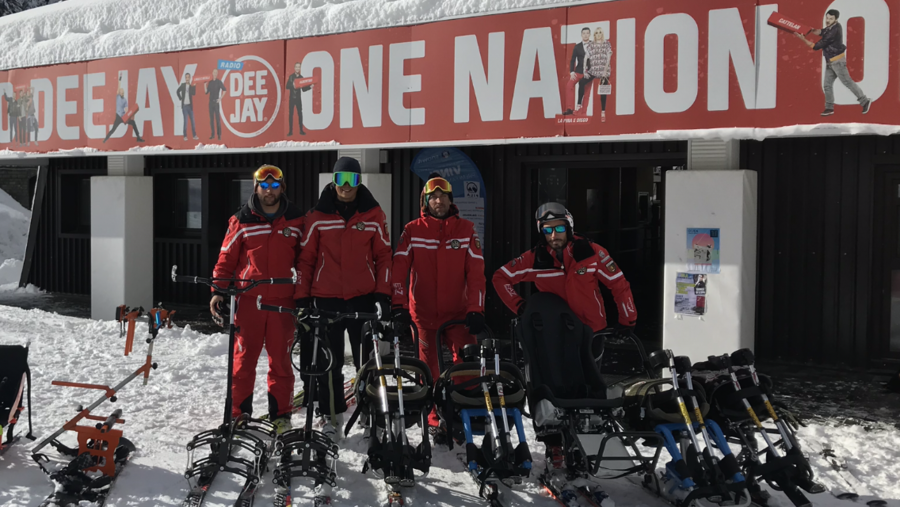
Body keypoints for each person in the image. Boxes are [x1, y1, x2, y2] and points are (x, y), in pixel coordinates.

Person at [492, 202, 637, 468]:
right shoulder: (535, 258)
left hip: (590, 333)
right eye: (547, 230)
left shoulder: (592, 253)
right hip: (553, 337)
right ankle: (555, 445)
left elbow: (619, 284)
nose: (554, 235)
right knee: (553, 389)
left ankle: (586, 445)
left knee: (588, 391)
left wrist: (628, 318)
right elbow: (500, 277)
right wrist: (520, 306)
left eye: (559, 228)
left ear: (569, 227)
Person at [296, 157, 392, 433]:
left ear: (359, 181)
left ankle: (369, 413)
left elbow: (384, 256)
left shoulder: (373, 214)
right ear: (333, 181)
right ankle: (331, 415)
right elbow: (305, 260)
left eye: (352, 179)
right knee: (330, 362)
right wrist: (302, 299)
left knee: (367, 363)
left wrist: (383, 295)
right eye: (341, 179)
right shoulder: (316, 216)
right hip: (326, 300)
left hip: (362, 298)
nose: (346, 186)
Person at [210, 165, 304, 434]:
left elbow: (306, 260)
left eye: (275, 186)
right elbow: (225, 259)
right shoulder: (241, 220)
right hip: (249, 301)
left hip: (283, 303)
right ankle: (239, 413)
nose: (270, 191)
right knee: (243, 361)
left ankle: (282, 415)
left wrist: (304, 295)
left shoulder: (297, 220)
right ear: (256, 187)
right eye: (265, 186)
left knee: (281, 362)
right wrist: (217, 291)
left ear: (282, 188)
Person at [391, 173, 486, 430]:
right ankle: (434, 422)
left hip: (458, 315)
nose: (439, 201)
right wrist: (398, 306)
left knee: (467, 367)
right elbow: (399, 270)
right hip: (424, 316)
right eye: (433, 197)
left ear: (450, 200)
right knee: (429, 372)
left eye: (443, 196)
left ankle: (462, 416)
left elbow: (476, 272)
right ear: (425, 202)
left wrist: (476, 309)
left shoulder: (466, 230)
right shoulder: (412, 230)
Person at [795, 9, 871, 116]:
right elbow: (821, 31)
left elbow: (816, 46)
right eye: (827, 17)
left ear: (836, 19)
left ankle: (865, 101)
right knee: (827, 85)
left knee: (847, 82)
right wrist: (811, 30)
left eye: (831, 19)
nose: (828, 20)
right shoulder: (831, 27)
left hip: (837, 61)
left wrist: (803, 39)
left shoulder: (835, 29)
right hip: (830, 62)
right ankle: (829, 108)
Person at [577, 27, 613, 122]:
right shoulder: (591, 45)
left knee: (603, 90)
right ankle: (579, 104)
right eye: (597, 33)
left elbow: (608, 58)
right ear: (594, 35)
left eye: (600, 32)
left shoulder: (606, 44)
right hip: (594, 70)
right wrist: (585, 71)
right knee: (581, 82)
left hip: (604, 70)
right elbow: (586, 58)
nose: (598, 34)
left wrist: (605, 71)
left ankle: (603, 111)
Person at [563, 27, 591, 116]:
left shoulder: (594, 45)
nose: (585, 35)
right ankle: (570, 109)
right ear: (581, 35)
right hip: (578, 71)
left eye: (587, 33)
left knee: (586, 92)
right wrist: (571, 72)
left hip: (589, 72)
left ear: (590, 34)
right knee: (569, 86)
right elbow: (572, 60)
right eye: (584, 33)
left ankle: (583, 112)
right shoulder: (577, 46)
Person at [285, 63, 312, 136]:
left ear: (300, 68)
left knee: (300, 114)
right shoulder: (291, 77)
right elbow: (287, 86)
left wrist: (309, 87)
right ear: (294, 68)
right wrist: (292, 85)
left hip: (298, 98)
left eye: (299, 67)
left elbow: (303, 89)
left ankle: (301, 130)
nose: (297, 68)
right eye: (296, 67)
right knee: (291, 114)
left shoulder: (301, 77)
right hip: (292, 99)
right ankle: (290, 131)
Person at [204, 69, 226, 140]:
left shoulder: (219, 82)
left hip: (216, 102)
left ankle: (219, 135)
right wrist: (204, 85)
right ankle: (212, 134)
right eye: (214, 72)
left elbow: (224, 90)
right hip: (210, 102)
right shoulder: (210, 83)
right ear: (212, 73)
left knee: (217, 119)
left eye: (216, 72)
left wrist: (220, 98)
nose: (215, 73)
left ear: (217, 74)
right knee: (211, 119)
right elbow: (206, 92)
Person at [177, 73, 198, 140]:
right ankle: (185, 136)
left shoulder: (191, 86)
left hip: (190, 106)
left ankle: (194, 135)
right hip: (184, 106)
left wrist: (194, 86)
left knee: (193, 121)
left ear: (190, 78)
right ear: (185, 78)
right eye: (186, 77)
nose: (187, 78)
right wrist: (180, 98)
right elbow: (177, 91)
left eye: (188, 77)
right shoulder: (183, 85)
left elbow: (193, 93)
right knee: (185, 121)